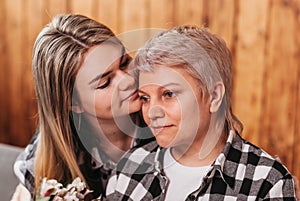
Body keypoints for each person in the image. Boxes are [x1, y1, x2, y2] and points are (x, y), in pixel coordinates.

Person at [105, 25, 297, 200]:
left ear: (213, 96)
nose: (153, 112)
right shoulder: (128, 168)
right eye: (145, 98)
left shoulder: (266, 181)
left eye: (169, 94)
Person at [12, 14, 153, 200]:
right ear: (73, 103)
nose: (128, 80)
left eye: (125, 62)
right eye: (105, 82)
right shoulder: (48, 155)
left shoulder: (164, 128)